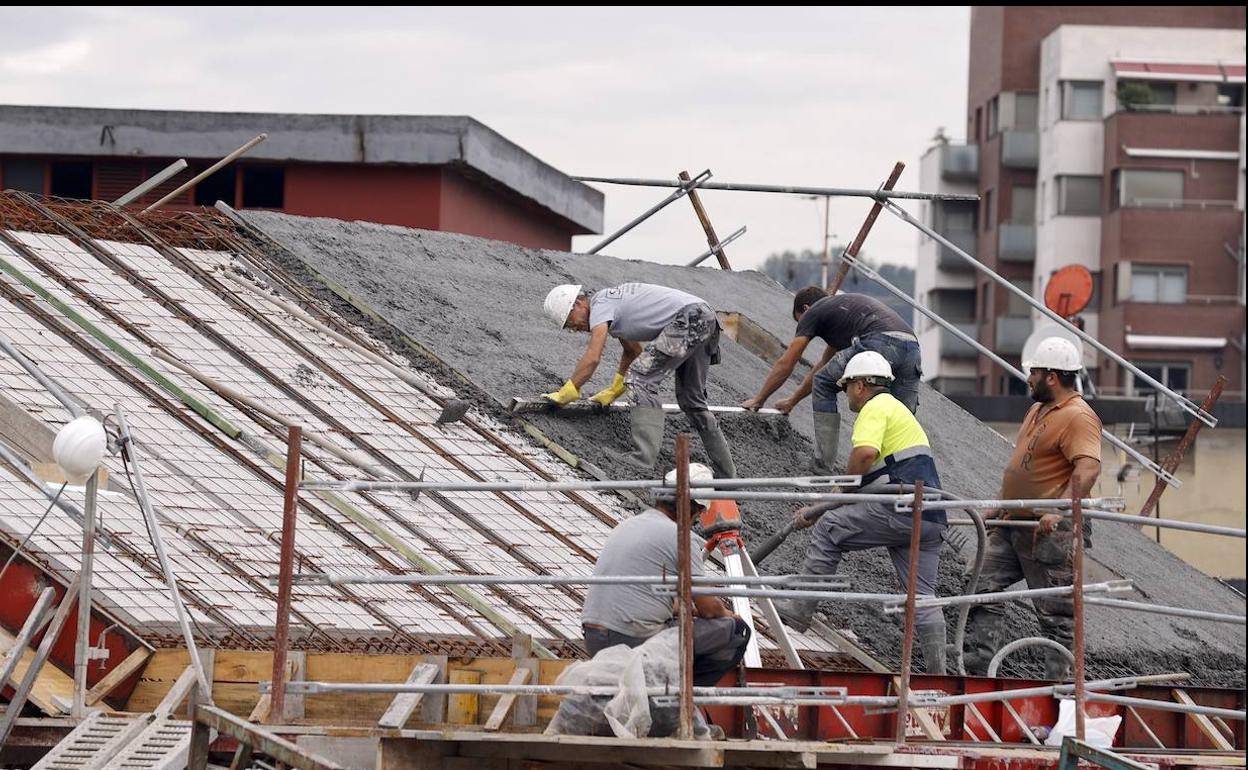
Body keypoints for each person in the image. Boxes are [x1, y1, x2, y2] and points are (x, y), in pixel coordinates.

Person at [775, 352, 948, 674]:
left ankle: (798, 610)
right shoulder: (898, 411)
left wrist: (839, 493)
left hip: (900, 508)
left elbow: (865, 454)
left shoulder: (875, 407)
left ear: (859, 385)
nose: (847, 396)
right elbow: (879, 476)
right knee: (922, 596)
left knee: (830, 528)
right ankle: (940, 673)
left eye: (846, 388)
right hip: (931, 518)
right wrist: (829, 501)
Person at [963, 337, 1102, 680]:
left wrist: (1061, 509)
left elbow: (1088, 468)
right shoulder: (1037, 410)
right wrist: (1000, 506)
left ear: (1052, 377)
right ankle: (980, 671)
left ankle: (1060, 689)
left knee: (1056, 612)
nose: (1028, 379)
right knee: (980, 581)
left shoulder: (1078, 416)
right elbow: (1023, 466)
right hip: (1015, 522)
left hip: (1049, 529)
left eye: (1034, 373)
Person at [581, 463, 751, 685]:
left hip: (594, 638)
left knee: (677, 618)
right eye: (699, 513)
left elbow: (649, 600)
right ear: (694, 509)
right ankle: (680, 694)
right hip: (631, 640)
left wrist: (688, 610)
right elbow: (709, 609)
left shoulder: (628, 525)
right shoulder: (680, 537)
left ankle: (658, 687)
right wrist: (728, 615)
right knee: (737, 631)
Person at [543, 283, 736, 478]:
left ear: (578, 304)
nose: (574, 329)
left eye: (569, 322)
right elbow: (633, 350)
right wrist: (615, 389)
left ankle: (642, 459)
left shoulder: (599, 305)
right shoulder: (613, 306)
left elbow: (593, 356)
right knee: (692, 401)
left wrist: (570, 389)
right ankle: (727, 475)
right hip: (705, 317)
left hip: (689, 318)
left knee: (640, 379)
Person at [741, 287, 921, 474]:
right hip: (912, 348)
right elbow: (823, 368)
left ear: (806, 308)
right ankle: (899, 475)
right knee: (901, 412)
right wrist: (792, 402)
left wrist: (759, 399)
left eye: (800, 321)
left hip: (880, 340)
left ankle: (822, 465)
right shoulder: (842, 318)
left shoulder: (815, 311)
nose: (803, 328)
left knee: (824, 384)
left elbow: (787, 363)